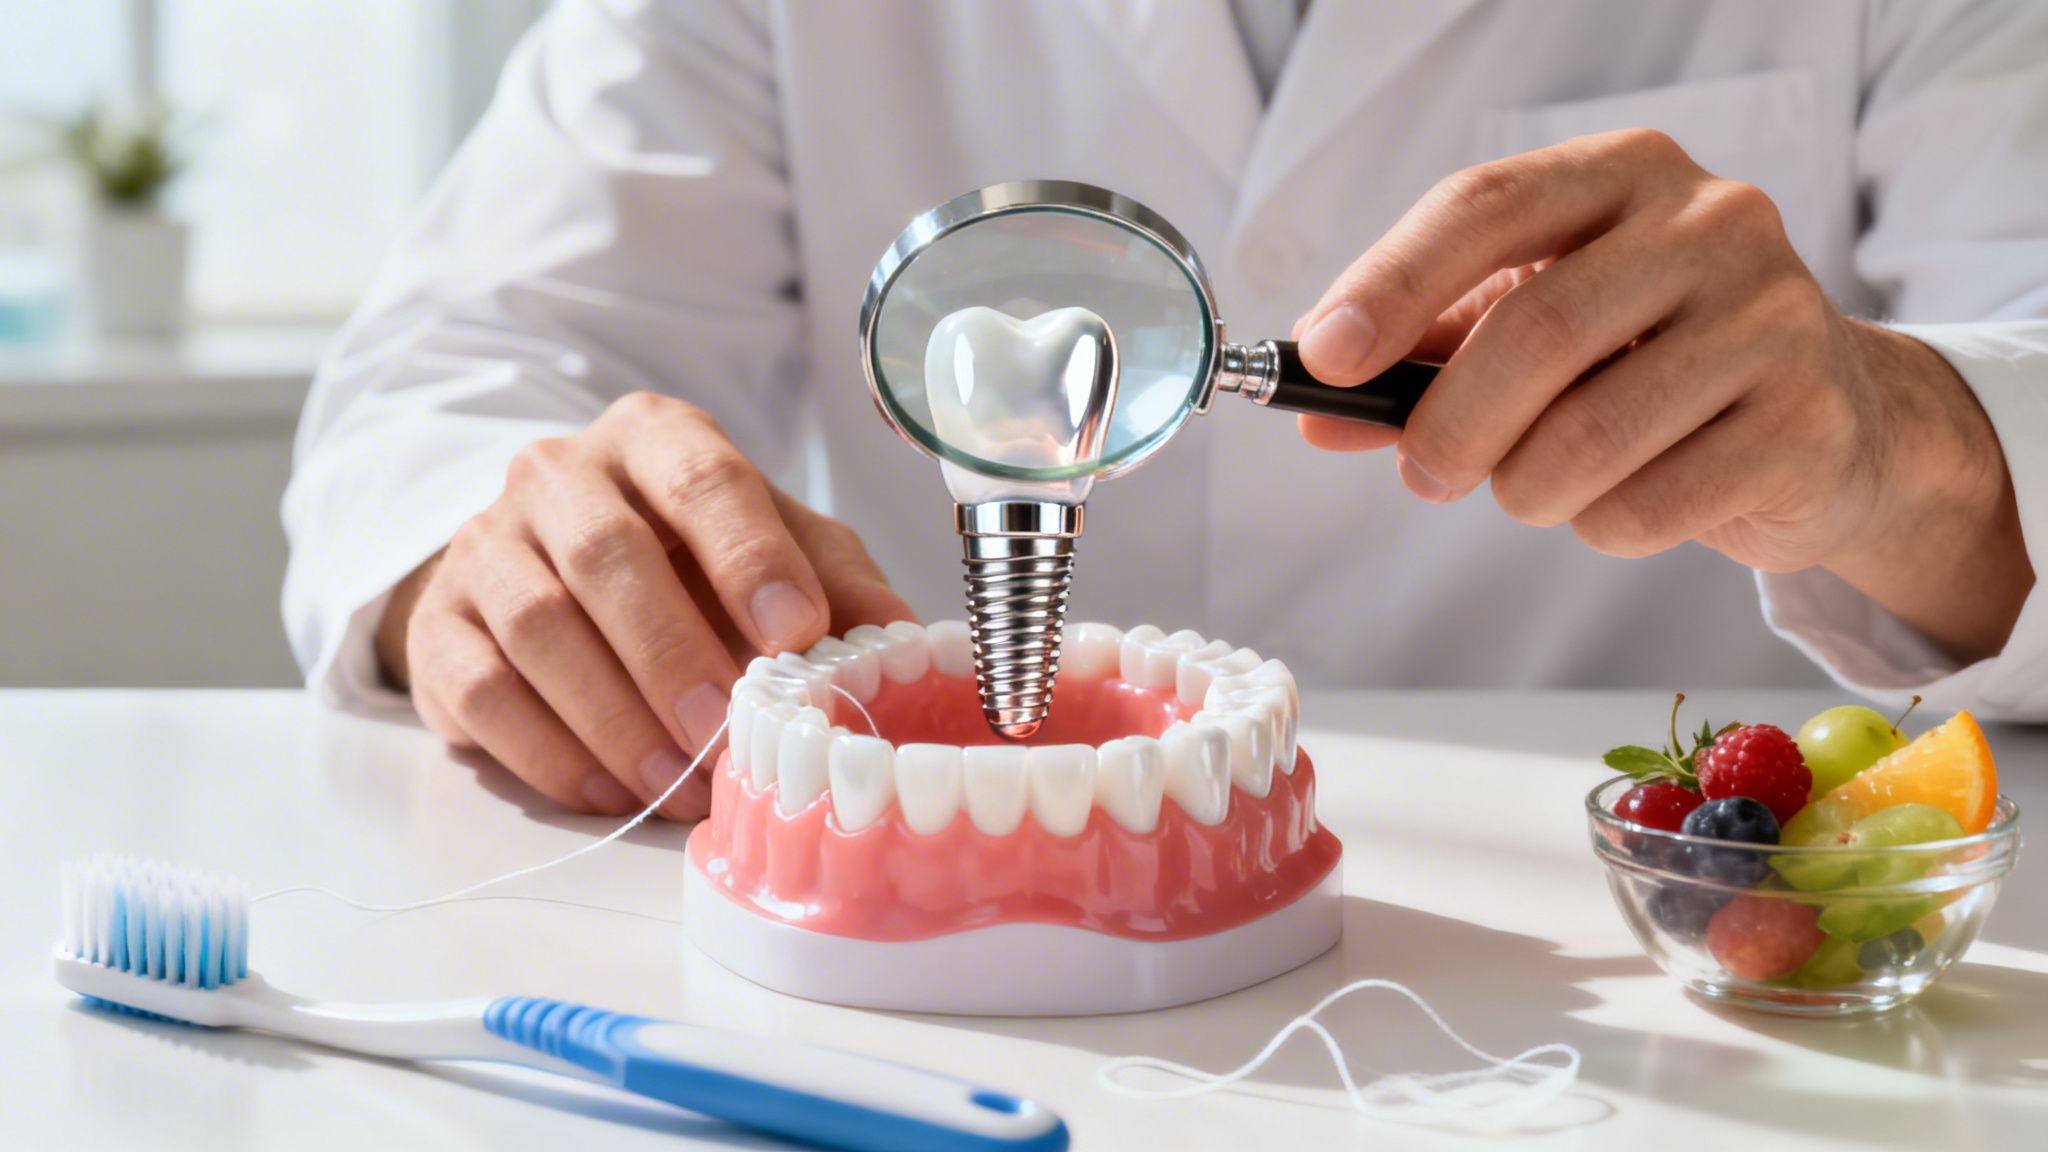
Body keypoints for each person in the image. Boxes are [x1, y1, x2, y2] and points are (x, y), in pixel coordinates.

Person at [284, 1, 2048, 823]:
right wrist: (492, 551)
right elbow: (457, 364)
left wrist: (1908, 443)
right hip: (920, 994)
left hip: (1640, 992)